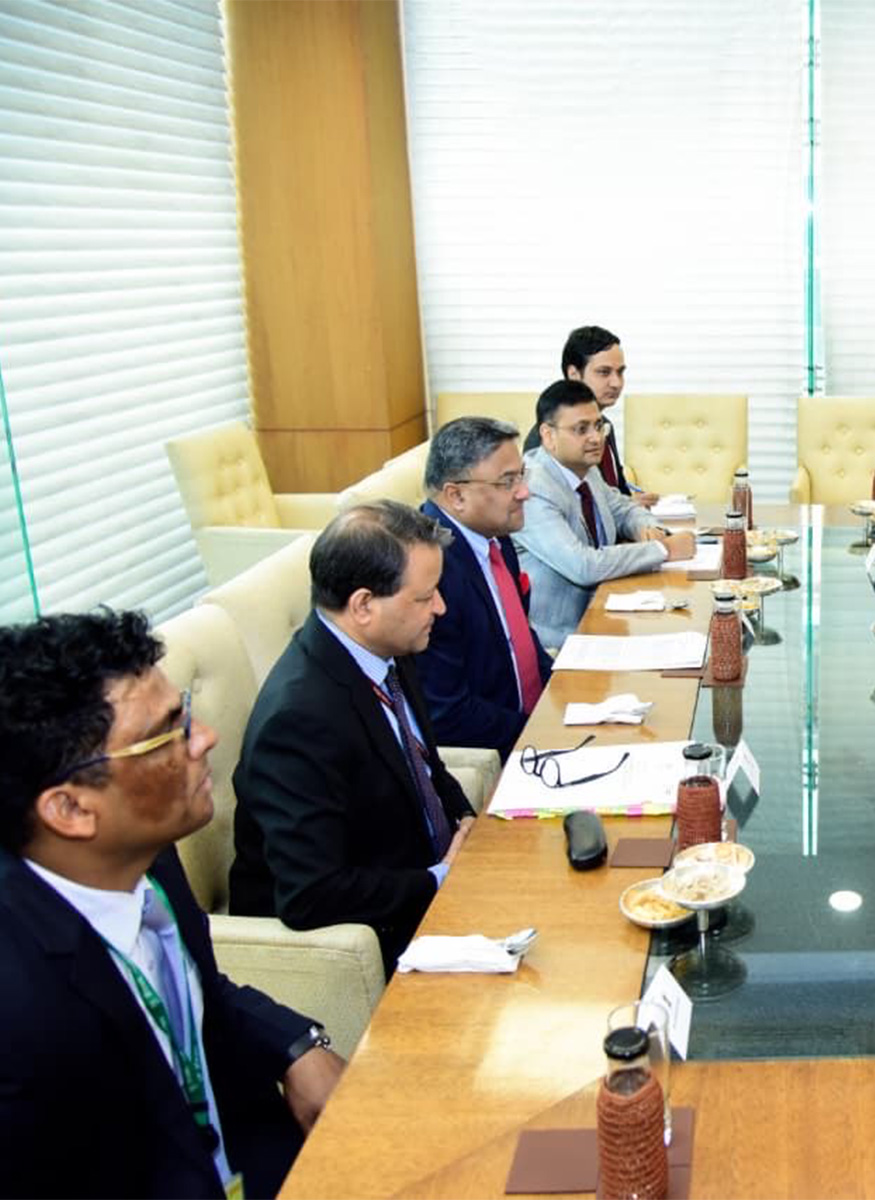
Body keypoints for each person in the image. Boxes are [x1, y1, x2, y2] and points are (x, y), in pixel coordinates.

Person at [0, 610, 343, 1198]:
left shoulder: (145, 857)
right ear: (73, 810)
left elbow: (194, 990)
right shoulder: (18, 1005)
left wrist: (296, 1044)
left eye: (185, 709)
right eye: (168, 732)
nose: (205, 737)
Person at [231, 502, 476, 975]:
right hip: (369, 937)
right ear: (364, 605)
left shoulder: (387, 647)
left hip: (433, 885)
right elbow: (312, 894)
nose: (440, 608)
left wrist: (468, 823)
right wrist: (442, 878)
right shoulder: (299, 719)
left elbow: (427, 765)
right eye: (425, 597)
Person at [515, 379, 696, 650]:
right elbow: (583, 565)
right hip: (558, 644)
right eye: (581, 429)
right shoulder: (533, 489)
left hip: (606, 613)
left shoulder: (586, 469)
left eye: (599, 426)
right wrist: (662, 549)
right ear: (548, 435)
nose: (596, 438)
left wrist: (646, 529)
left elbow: (624, 508)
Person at [416, 417, 552, 758]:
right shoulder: (429, 570)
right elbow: (447, 712)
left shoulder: (495, 537)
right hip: (496, 747)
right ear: (456, 495)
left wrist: (566, 693)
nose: (524, 492)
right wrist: (540, 733)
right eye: (508, 482)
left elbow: (520, 638)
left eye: (522, 475)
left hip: (532, 723)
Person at [562, 324, 659, 508]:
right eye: (604, 372)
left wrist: (632, 505)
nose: (616, 383)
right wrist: (626, 506)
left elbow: (621, 492)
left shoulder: (606, 426)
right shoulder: (553, 439)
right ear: (574, 375)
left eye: (620, 372)